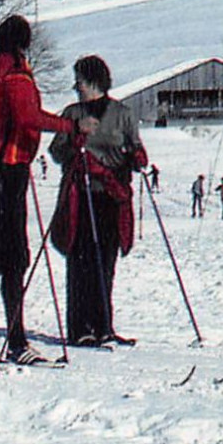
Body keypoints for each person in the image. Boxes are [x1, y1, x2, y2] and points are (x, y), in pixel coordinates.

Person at [0, 15, 85, 368]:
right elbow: (27, 117)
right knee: (9, 257)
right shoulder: (15, 70)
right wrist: (71, 126)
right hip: (8, 169)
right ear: (22, 42)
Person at [48, 54, 145, 348]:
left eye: (79, 80)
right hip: (81, 195)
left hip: (111, 196)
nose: (76, 86)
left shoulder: (123, 113)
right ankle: (80, 327)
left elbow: (135, 146)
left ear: (93, 81)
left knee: (106, 261)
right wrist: (75, 141)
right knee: (81, 262)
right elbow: (56, 151)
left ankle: (104, 325)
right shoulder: (71, 113)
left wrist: (136, 156)